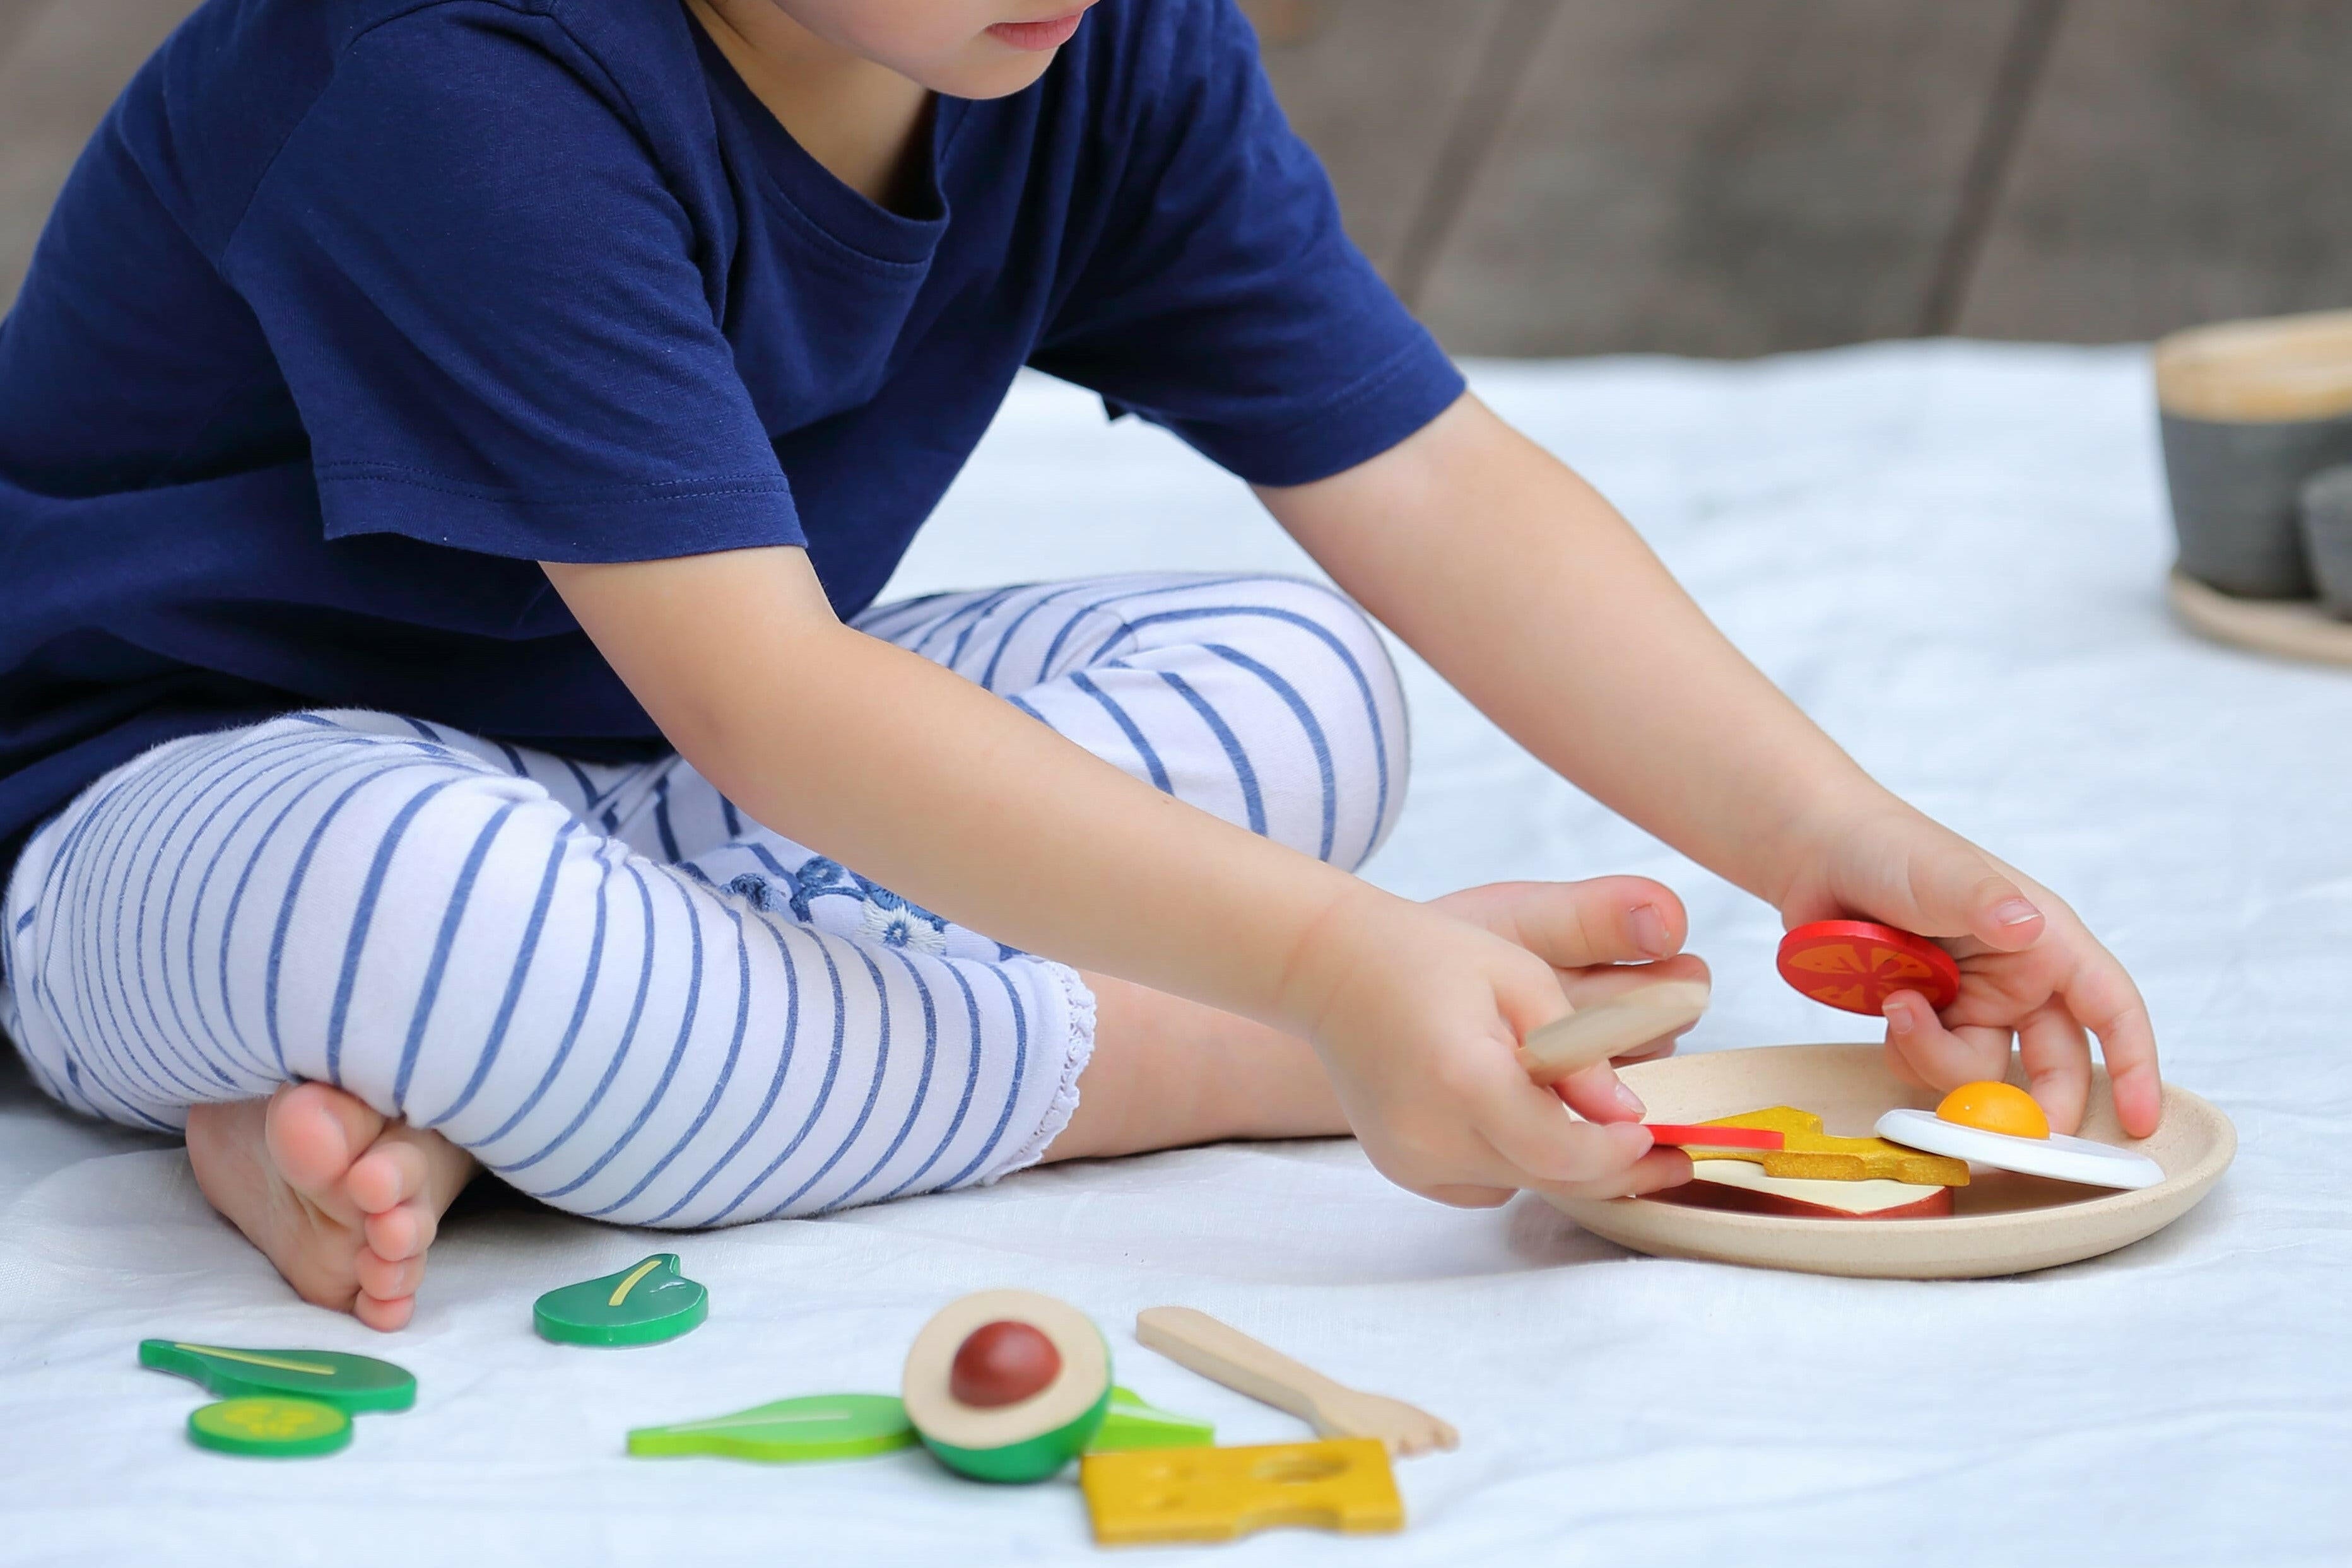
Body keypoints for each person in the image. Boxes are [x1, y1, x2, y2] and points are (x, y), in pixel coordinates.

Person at [0, 0, 2158, 1331]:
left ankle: (550, 1074)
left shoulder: (1080, 39)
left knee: (1294, 687)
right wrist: (1310, 988)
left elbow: (1427, 482)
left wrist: (1845, 843)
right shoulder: (453, 78)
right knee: (418, 903)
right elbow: (774, 700)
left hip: (658, 769)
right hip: (177, 791)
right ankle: (1168, 1064)